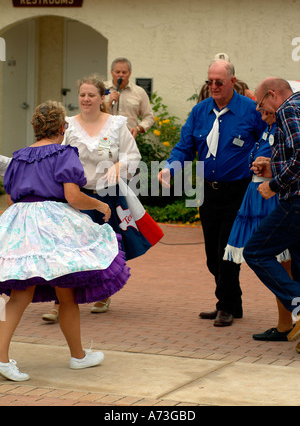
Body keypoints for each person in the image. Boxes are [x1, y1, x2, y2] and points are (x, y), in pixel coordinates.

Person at [0, 100, 130, 381]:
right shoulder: (63, 153)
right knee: (65, 290)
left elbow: (12, 196)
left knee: (21, 293)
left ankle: (4, 358)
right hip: (53, 225)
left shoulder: (19, 157)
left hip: (21, 222)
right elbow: (72, 196)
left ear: (35, 127)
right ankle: (77, 356)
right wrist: (98, 205)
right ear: (62, 128)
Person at [42, 75, 163, 321]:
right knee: (68, 248)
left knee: (105, 247)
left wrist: (119, 166)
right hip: (75, 196)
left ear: (101, 98)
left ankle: (103, 293)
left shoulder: (117, 124)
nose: (86, 99)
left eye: (91, 95)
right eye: (82, 95)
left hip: (108, 195)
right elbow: (52, 154)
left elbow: (133, 156)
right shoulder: (67, 125)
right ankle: (59, 302)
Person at [159, 59, 265, 327]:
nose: (214, 86)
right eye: (210, 82)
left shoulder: (250, 110)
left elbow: (266, 140)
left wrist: (262, 162)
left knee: (226, 251)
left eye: (219, 81)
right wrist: (170, 168)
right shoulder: (200, 111)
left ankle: (225, 306)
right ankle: (233, 303)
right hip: (205, 190)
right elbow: (184, 147)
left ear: (232, 81)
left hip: (238, 190)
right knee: (211, 256)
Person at [224, 109, 293, 341]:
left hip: (275, 194)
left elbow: (292, 160)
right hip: (257, 194)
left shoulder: (286, 123)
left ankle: (290, 321)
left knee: (284, 263)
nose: (262, 116)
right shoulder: (270, 127)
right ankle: (285, 324)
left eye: (265, 111)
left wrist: (270, 165)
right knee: (277, 262)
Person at [243, 77, 300, 348]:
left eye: (259, 101)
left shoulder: (288, 109)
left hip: (296, 203)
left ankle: (297, 301)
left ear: (272, 94)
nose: (257, 109)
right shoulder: (297, 106)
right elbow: (293, 158)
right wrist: (273, 166)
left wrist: (274, 185)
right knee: (298, 265)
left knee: (255, 251)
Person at [105, 58, 154, 139]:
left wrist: (138, 129)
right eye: (117, 72)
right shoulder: (101, 89)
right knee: (103, 152)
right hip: (105, 138)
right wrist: (109, 103)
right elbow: (93, 113)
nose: (120, 75)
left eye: (124, 72)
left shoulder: (139, 92)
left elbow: (149, 117)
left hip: (128, 139)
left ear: (130, 73)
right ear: (111, 72)